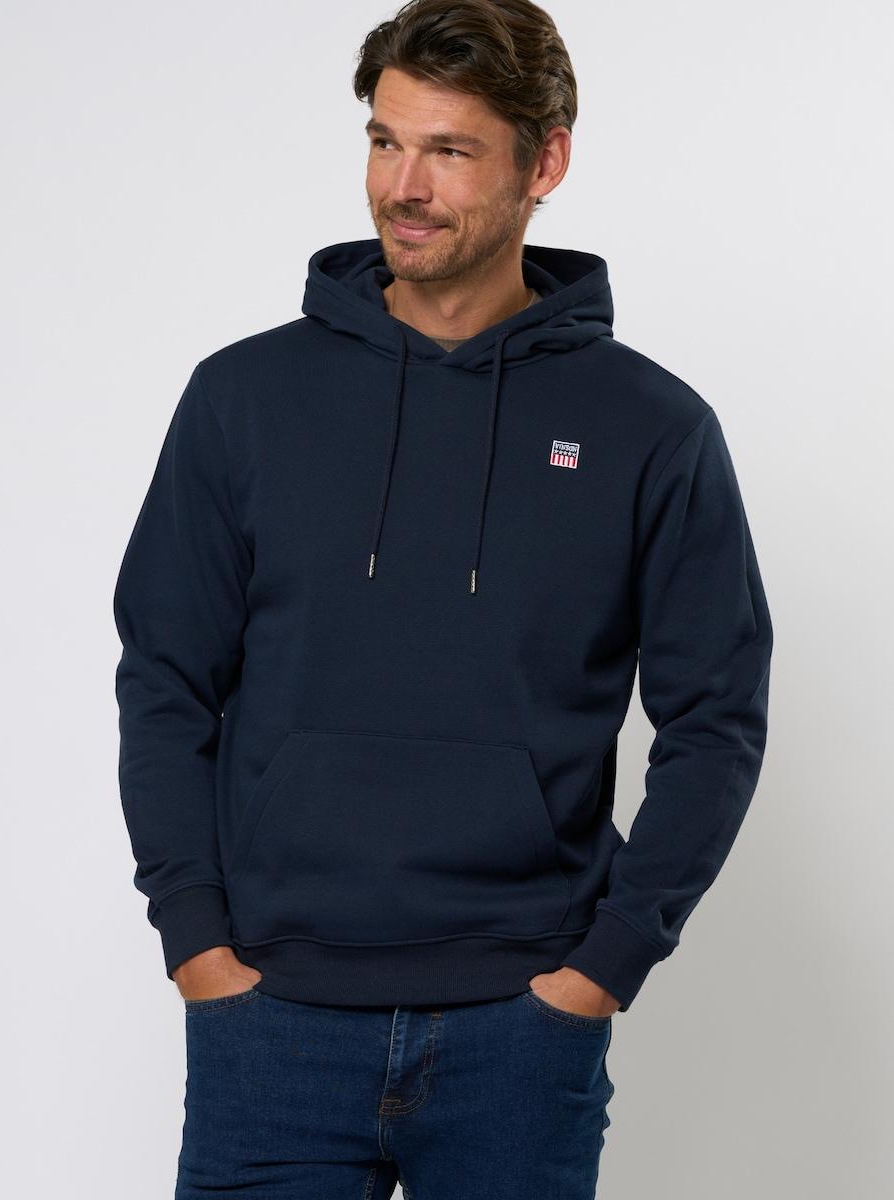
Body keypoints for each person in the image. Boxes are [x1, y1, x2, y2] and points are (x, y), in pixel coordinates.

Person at [112, 2, 774, 1196]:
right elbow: (164, 678)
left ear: (545, 162)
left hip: (519, 1038)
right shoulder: (244, 399)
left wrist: (603, 970)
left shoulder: (651, 429)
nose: (403, 187)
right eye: (385, 141)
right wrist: (195, 941)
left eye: (450, 151)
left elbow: (716, 721)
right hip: (270, 1023)